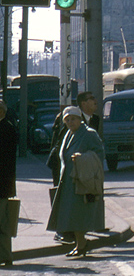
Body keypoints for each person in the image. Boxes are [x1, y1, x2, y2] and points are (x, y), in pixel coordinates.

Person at [46, 106, 106, 258]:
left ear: (80, 119)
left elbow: (99, 154)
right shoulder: (67, 134)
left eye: (73, 118)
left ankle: (81, 244)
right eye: (67, 119)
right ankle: (80, 244)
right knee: (71, 216)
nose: (70, 122)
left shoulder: (89, 134)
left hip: (82, 181)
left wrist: (82, 158)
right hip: (68, 181)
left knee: (79, 215)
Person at [47, 90, 102, 186]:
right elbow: (60, 145)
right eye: (92, 98)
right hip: (64, 164)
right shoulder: (71, 118)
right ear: (83, 103)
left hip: (83, 166)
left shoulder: (95, 119)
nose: (95, 101)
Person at [0, 101, 17, 267]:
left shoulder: (6, 129)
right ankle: (5, 255)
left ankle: (5, 255)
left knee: (2, 223)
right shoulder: (8, 127)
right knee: (3, 223)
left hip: (2, 186)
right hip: (4, 185)